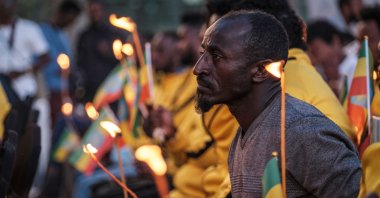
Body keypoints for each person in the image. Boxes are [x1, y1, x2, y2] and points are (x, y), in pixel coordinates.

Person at [194, 10, 361, 197]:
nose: (198, 68)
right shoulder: (244, 132)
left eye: (216, 56)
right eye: (203, 54)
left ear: (260, 71)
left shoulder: (302, 131)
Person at [40, 0, 81, 126]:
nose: (70, 23)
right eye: (69, 19)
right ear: (61, 14)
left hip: (66, 90)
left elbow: (70, 62)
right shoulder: (41, 31)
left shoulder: (63, 35)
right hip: (48, 90)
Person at [76, 0, 124, 103]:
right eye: (92, 12)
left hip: (110, 88)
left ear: (103, 11)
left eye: (97, 11)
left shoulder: (114, 35)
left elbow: (123, 61)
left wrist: (109, 53)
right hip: (90, 89)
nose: (94, 15)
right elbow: (80, 62)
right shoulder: (85, 36)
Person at [0, 0, 49, 100]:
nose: (5, 6)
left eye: (8, 2)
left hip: (24, 89)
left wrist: (23, 72)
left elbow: (46, 57)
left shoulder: (29, 28)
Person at [307, 20, 357, 96]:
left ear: (335, 41)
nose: (316, 60)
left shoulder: (357, 66)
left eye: (316, 51)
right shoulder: (322, 75)